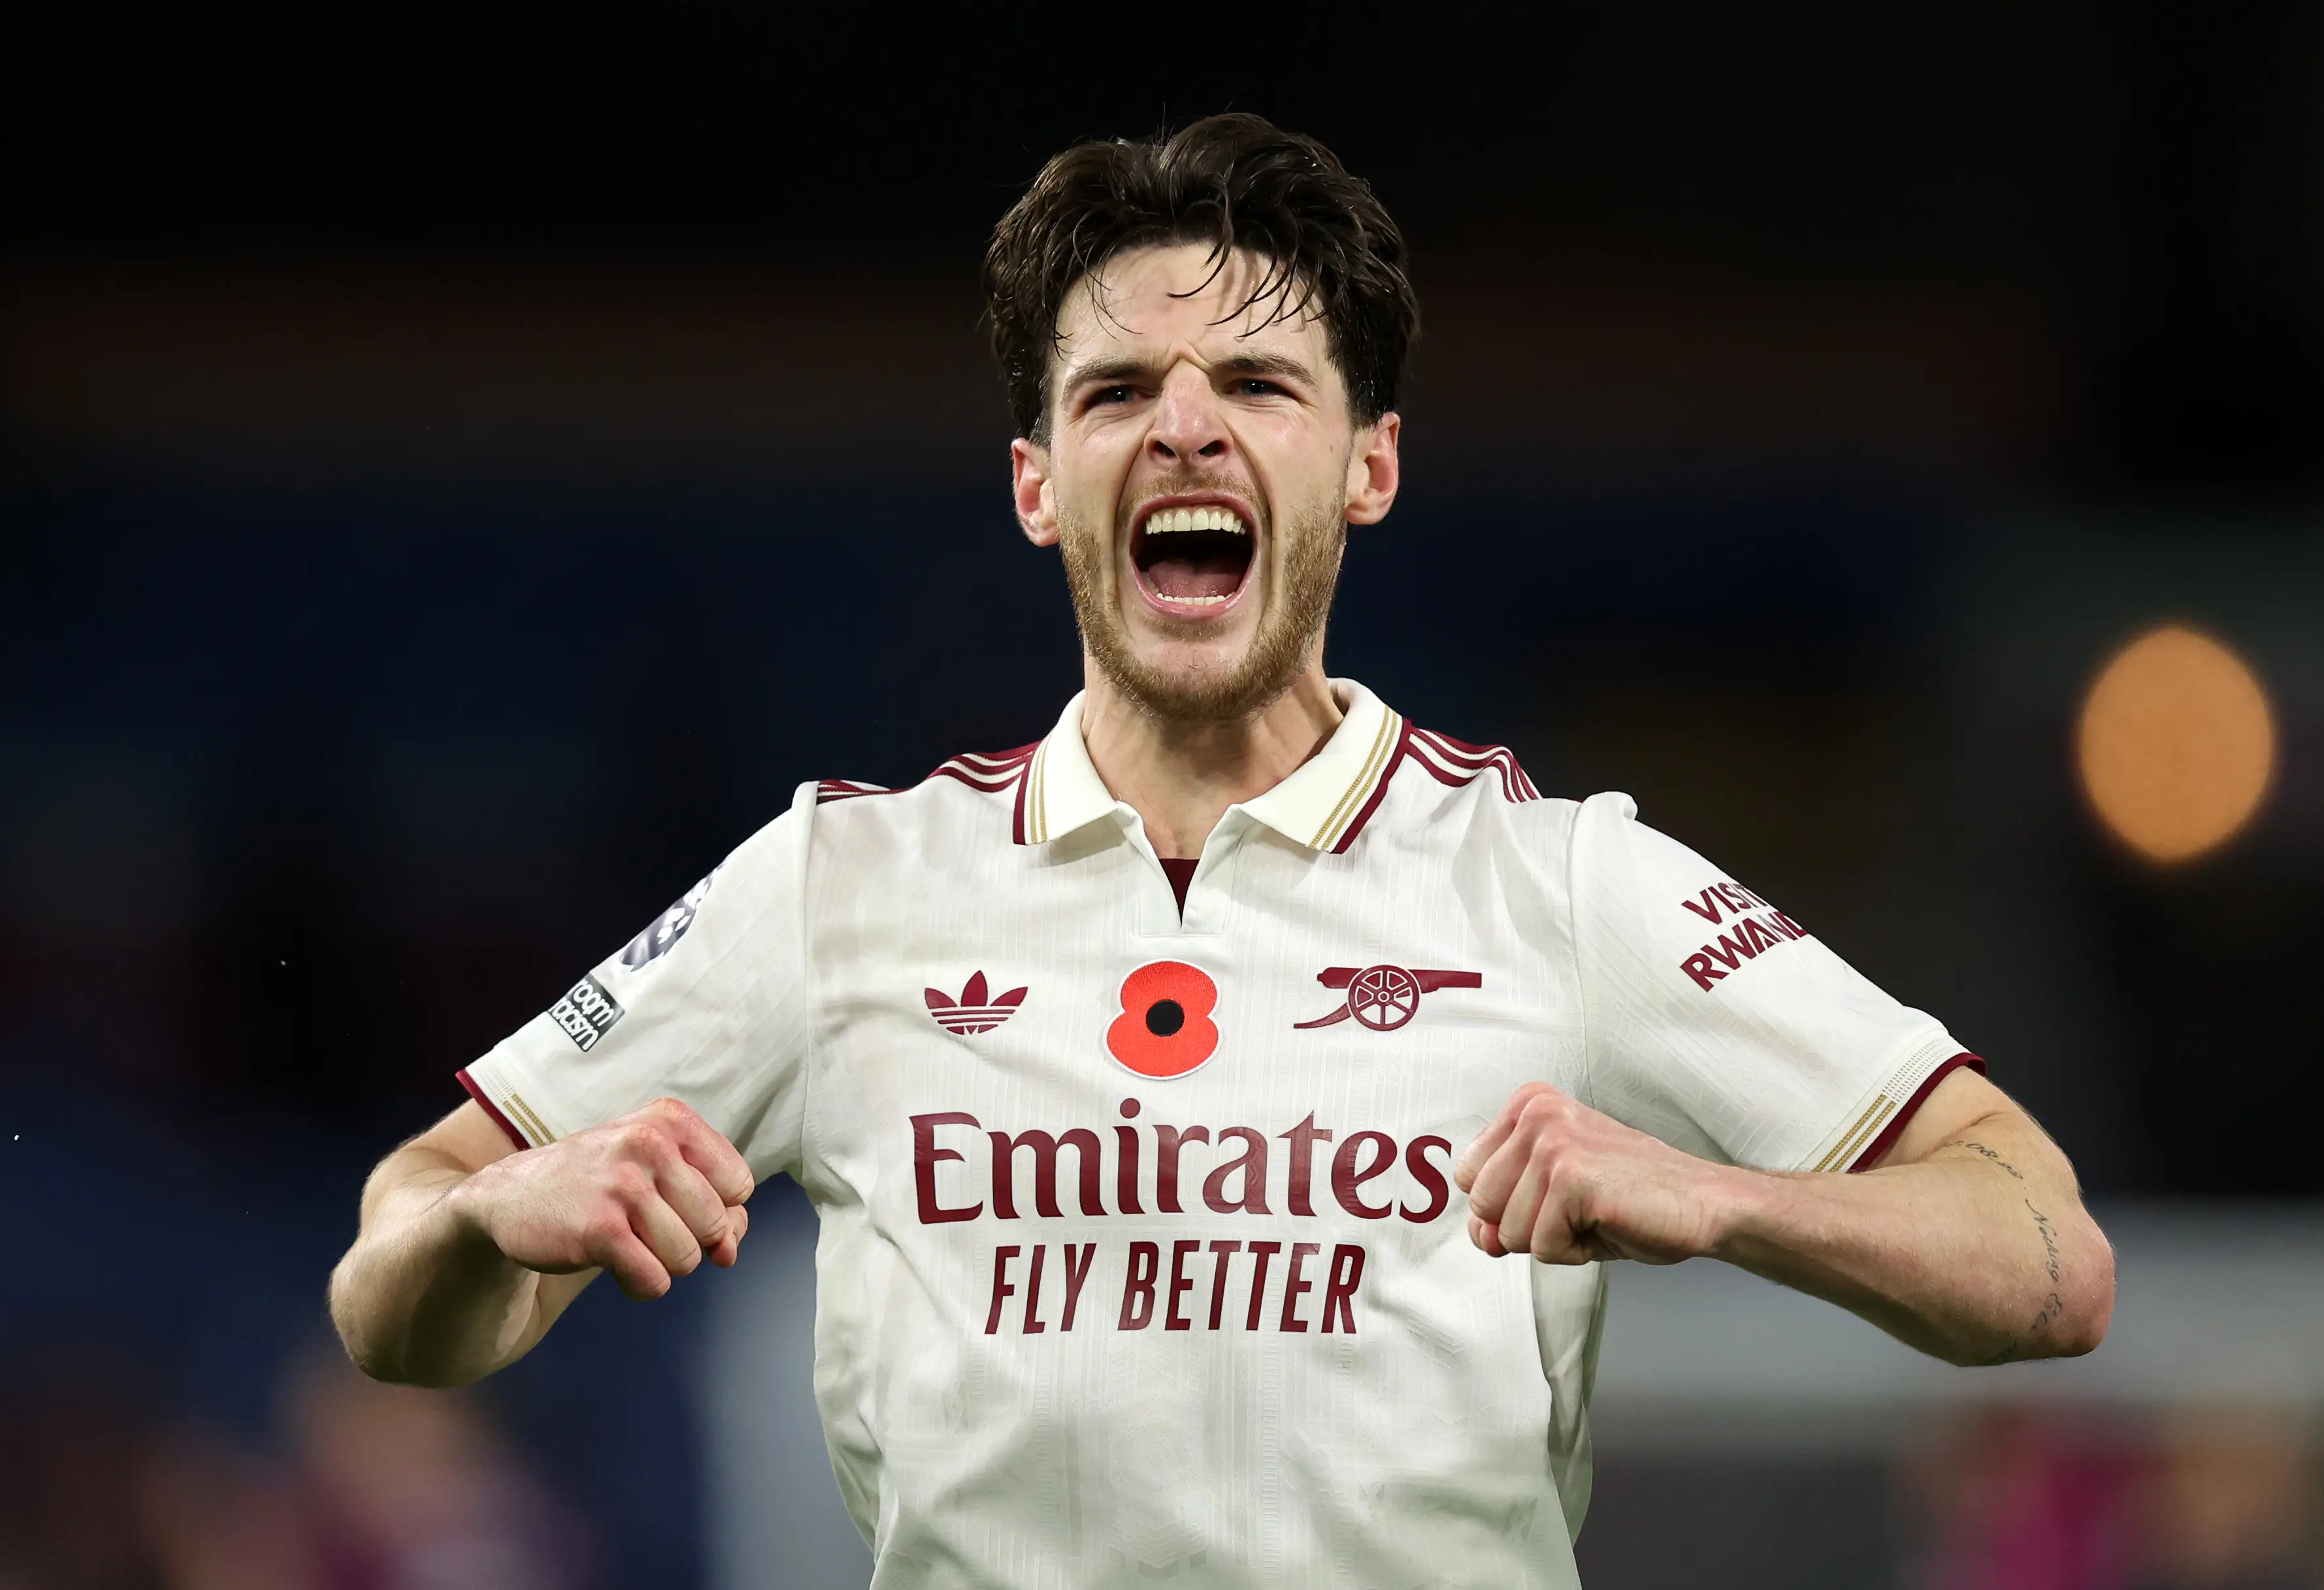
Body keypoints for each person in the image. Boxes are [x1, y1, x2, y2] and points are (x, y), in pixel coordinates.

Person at [329, 114, 2112, 1586]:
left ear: (1368, 464)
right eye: (1116, 392)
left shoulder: (1561, 882)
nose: (1184, 423)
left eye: (1258, 380)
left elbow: (2044, 1253)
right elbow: (389, 1291)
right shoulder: (834, 886)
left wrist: (1722, 1198)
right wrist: (487, 1213)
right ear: (1039, 484)